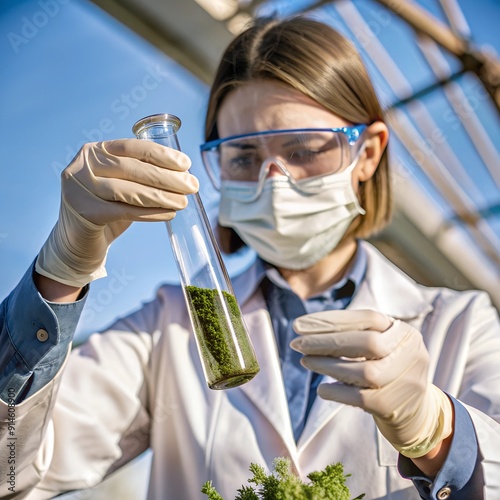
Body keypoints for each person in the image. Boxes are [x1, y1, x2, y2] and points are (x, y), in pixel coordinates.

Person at [1, 15, 499, 500]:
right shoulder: (167, 328)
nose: (273, 181)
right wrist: (59, 273)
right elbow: (10, 473)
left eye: (303, 149)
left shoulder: (462, 322)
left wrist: (437, 432)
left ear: (367, 153)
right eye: (243, 157)